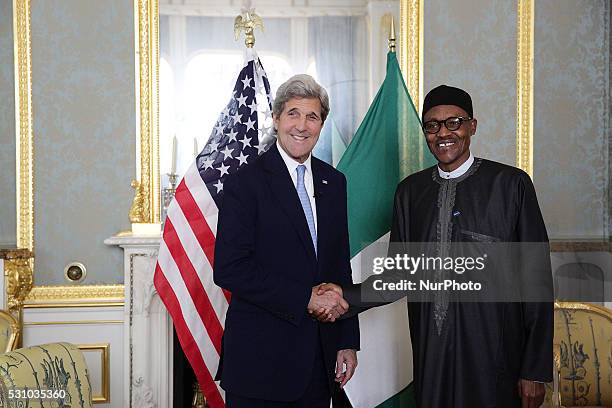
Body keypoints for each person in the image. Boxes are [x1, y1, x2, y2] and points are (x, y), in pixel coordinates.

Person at [317, 85, 553, 408]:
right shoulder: (410, 193)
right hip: (433, 358)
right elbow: (398, 277)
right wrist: (343, 296)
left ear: (472, 126)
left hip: (495, 359)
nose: (443, 133)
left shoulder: (511, 185)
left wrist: (535, 369)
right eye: (432, 125)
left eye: (453, 122)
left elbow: (536, 281)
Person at [213, 74, 360, 407]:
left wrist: (347, 341)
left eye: (312, 116)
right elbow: (230, 269)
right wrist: (304, 298)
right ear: (277, 119)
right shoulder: (245, 184)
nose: (302, 125)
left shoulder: (334, 182)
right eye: (293, 113)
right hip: (259, 364)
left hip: (319, 363)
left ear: (321, 124)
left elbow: (339, 265)